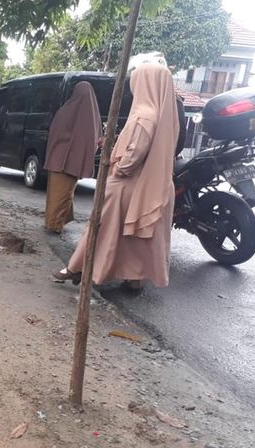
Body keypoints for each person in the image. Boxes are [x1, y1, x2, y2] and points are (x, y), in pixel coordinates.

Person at [53, 64, 179, 290]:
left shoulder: (145, 116)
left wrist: (117, 168)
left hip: (127, 186)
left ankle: (77, 268)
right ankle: (133, 278)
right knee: (136, 238)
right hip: (149, 185)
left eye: (137, 80)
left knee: (100, 227)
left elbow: (133, 156)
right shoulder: (160, 115)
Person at [43, 82, 102, 234]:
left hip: (57, 158)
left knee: (58, 193)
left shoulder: (67, 110)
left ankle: (54, 223)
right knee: (63, 193)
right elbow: (93, 140)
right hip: (71, 161)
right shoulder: (92, 117)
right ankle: (55, 223)